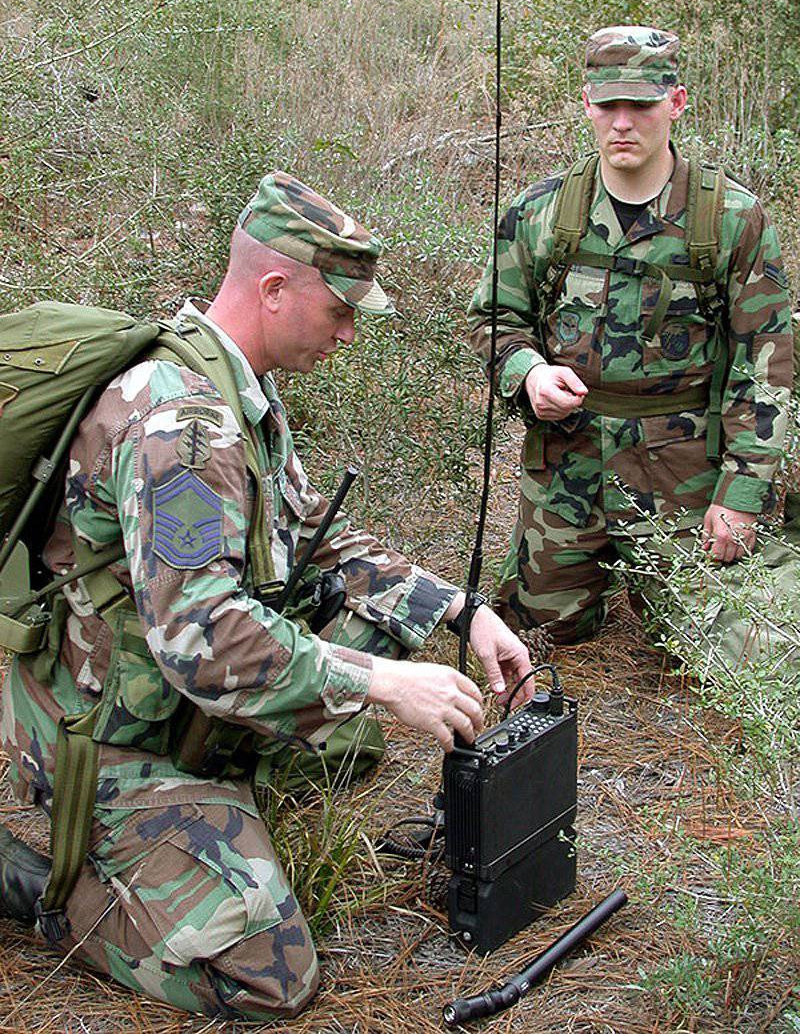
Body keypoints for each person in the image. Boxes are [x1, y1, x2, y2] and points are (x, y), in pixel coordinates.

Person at [0, 172, 533, 1018]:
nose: (350, 334)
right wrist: (380, 683)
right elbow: (201, 634)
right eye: (340, 310)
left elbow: (314, 533)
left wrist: (465, 612)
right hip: (113, 740)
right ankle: (47, 888)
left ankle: (222, 802)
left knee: (358, 721)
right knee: (271, 977)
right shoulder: (183, 425)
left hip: (176, 700)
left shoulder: (234, 386)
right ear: (274, 289)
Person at [468, 25, 793, 649]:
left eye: (641, 105)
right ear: (586, 103)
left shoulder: (730, 219)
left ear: (675, 103)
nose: (623, 123)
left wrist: (742, 495)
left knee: (737, 655)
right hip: (567, 473)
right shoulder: (540, 213)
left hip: (684, 481)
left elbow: (767, 366)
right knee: (540, 636)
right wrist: (528, 373)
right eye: (607, 104)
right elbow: (494, 321)